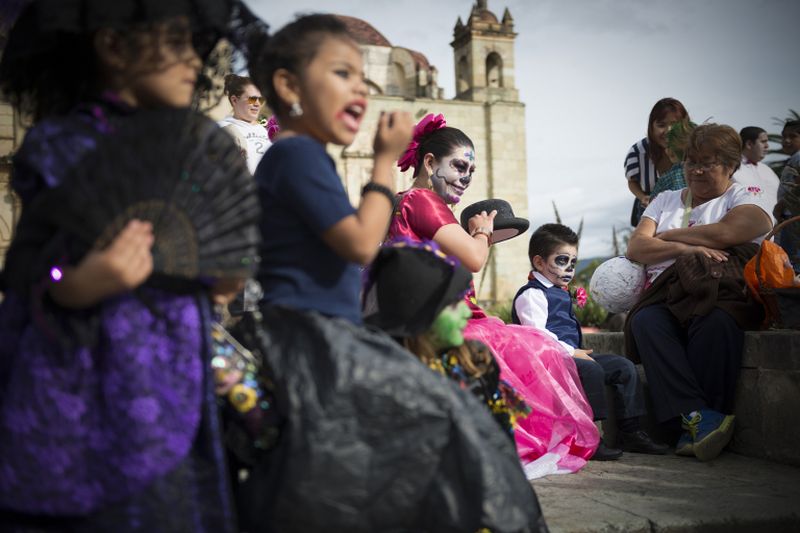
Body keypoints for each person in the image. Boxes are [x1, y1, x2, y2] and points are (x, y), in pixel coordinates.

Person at [237, 15, 547, 532]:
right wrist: (383, 161)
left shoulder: (298, 157)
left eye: (364, 79)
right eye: (342, 75)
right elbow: (362, 244)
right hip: (311, 339)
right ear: (289, 86)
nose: (360, 91)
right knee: (454, 420)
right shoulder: (296, 157)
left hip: (321, 333)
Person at [0, 1, 250, 530]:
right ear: (114, 47)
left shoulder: (192, 149)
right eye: (176, 42)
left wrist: (225, 275)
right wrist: (73, 283)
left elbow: (216, 261)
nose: (195, 60)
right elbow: (31, 270)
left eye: (197, 45)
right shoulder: (62, 143)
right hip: (84, 360)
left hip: (175, 361)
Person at [387, 113, 600, 478]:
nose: (466, 177)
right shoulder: (425, 201)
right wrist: (483, 231)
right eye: (459, 166)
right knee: (540, 350)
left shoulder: (405, 200)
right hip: (436, 322)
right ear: (429, 162)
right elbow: (473, 259)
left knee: (528, 343)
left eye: (471, 170)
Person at [625, 124, 773, 461]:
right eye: (692, 162)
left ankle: (691, 422)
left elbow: (738, 229)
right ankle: (702, 419)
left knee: (717, 321)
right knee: (646, 322)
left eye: (708, 163)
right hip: (667, 293)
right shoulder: (664, 199)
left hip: (720, 291)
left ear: (731, 165)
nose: (697, 171)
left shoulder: (744, 193)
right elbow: (636, 247)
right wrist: (687, 248)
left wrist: (667, 237)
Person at [511, 223, 669, 460]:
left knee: (623, 367)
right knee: (591, 370)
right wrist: (571, 353)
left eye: (573, 263)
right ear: (539, 262)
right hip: (549, 362)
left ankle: (631, 431)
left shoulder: (559, 290)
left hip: (571, 355)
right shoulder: (532, 294)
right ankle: (591, 435)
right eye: (562, 261)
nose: (569, 269)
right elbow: (537, 336)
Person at [364, 239, 532, 438]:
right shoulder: (386, 385)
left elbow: (501, 440)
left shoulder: (475, 362)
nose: (467, 314)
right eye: (452, 305)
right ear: (418, 319)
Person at [625, 98, 689, 226]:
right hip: (650, 206)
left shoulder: (695, 147)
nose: (669, 130)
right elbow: (632, 181)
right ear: (651, 127)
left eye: (675, 124)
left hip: (689, 203)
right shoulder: (638, 151)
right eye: (661, 125)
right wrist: (642, 197)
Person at [218, 73, 270, 174]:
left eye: (260, 99)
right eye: (252, 99)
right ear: (234, 100)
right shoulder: (222, 128)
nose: (257, 104)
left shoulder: (265, 129)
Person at [732, 126, 779, 223]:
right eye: (763, 142)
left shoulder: (767, 170)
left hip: (776, 230)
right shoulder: (731, 168)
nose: (767, 146)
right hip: (747, 229)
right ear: (749, 144)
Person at [774, 120, 800, 271]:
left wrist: (780, 206)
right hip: (789, 218)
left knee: (792, 264)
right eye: (784, 136)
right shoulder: (794, 158)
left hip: (793, 219)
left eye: (793, 136)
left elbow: (797, 187)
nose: (786, 140)